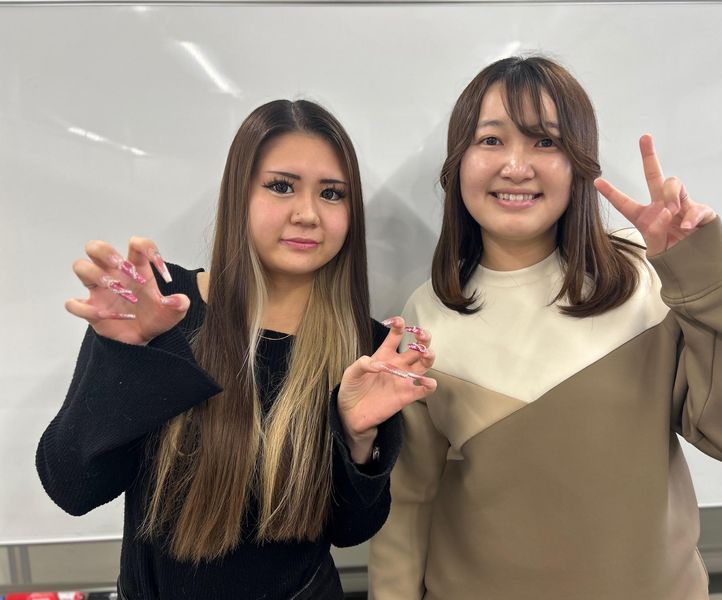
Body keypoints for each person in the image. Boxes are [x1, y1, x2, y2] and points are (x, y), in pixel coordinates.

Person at [368, 56, 722, 599]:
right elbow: (408, 503)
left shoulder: (644, 278)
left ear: (578, 163)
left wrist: (705, 270)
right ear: (457, 162)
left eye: (545, 142)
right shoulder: (423, 317)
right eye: (491, 140)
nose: (516, 167)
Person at [36, 99, 437, 600]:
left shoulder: (367, 348)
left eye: (332, 194)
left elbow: (352, 530)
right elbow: (71, 488)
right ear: (238, 194)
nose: (308, 214)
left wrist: (357, 436)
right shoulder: (163, 306)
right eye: (281, 186)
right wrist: (127, 355)